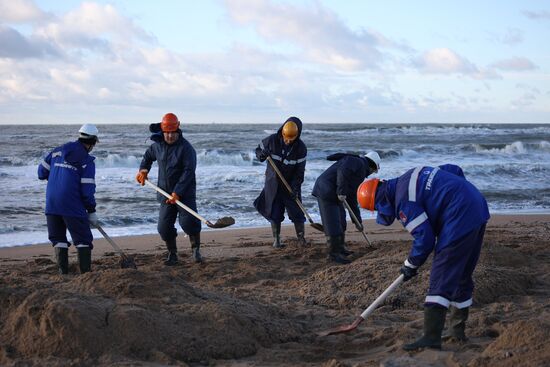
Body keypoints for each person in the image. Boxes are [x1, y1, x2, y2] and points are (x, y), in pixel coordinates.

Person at [357, 164, 490, 351]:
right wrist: (456, 197)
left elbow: (425, 239)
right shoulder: (412, 174)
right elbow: (454, 170)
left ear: (381, 202)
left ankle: (431, 337)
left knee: (440, 276)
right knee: (461, 275)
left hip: (459, 217)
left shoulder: (404, 201)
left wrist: (410, 265)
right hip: (477, 205)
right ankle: (457, 331)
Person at [136, 113, 202, 265]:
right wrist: (143, 170)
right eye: (167, 133)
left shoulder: (186, 149)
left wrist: (178, 192)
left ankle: (195, 250)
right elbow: (147, 157)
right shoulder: (157, 146)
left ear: (177, 129)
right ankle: (172, 254)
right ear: (162, 131)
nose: (170, 136)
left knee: (189, 223)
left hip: (184, 193)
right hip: (164, 193)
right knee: (164, 228)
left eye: (173, 133)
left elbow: (188, 172)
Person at [37, 124, 100, 274]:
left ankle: (62, 273)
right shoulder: (86, 160)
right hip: (71, 205)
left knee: (58, 238)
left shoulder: (57, 151)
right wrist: (91, 210)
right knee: (83, 239)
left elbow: (41, 173)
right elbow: (87, 190)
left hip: (52, 204)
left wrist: (57, 178)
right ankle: (85, 274)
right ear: (92, 142)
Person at [312, 151, 380, 264]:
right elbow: (343, 171)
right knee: (332, 222)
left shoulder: (360, 172)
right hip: (326, 190)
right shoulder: (356, 161)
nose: (372, 173)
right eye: (374, 170)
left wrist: (357, 221)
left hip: (336, 193)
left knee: (341, 220)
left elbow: (352, 198)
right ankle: (333, 255)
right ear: (372, 165)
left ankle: (340, 249)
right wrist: (341, 191)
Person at [254, 117, 307, 248]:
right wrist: (261, 155)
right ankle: (276, 240)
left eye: (291, 139)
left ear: (297, 135)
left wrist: (295, 188)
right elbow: (258, 150)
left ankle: (301, 239)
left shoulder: (301, 148)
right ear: (282, 132)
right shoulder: (271, 140)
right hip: (273, 183)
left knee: (297, 212)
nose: (288, 141)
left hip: (290, 185)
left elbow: (299, 172)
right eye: (286, 138)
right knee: (275, 212)